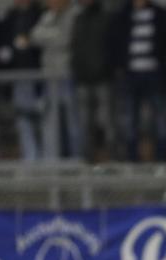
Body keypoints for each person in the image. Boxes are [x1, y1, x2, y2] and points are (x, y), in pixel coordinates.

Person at [111, 0, 166, 161]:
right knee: (130, 119)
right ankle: (132, 158)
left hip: (155, 74)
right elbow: (116, 42)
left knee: (160, 118)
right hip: (131, 75)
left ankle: (162, 158)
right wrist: (120, 66)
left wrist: (163, 67)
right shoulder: (123, 14)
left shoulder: (160, 14)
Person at [31, 0, 81, 158]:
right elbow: (34, 35)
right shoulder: (48, 15)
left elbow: (65, 38)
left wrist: (48, 35)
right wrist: (54, 34)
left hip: (67, 76)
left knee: (73, 122)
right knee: (50, 122)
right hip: (49, 77)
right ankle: (53, 160)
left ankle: (77, 159)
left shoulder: (75, 14)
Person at [0, 0, 43, 161]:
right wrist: (5, 54)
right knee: (23, 120)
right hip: (18, 77)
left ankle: (47, 159)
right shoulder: (11, 16)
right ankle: (31, 158)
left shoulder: (39, 14)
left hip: (39, 78)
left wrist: (29, 42)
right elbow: (3, 41)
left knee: (41, 120)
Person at [71, 0, 115, 161]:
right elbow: (75, 46)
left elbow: (111, 46)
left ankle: (111, 156)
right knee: (84, 122)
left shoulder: (106, 17)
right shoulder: (79, 18)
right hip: (83, 78)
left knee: (106, 120)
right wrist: (77, 69)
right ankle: (88, 157)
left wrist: (106, 68)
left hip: (103, 78)